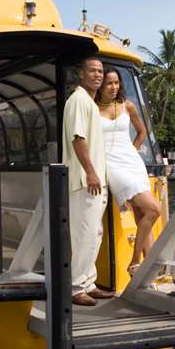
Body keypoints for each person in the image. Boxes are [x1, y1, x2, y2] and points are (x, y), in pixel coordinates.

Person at [96, 67, 163, 274]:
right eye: (109, 83)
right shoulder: (93, 108)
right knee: (154, 210)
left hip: (132, 162)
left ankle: (147, 269)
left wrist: (132, 150)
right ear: (101, 85)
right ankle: (134, 262)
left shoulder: (128, 106)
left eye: (117, 83)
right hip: (112, 165)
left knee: (141, 214)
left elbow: (142, 132)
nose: (114, 87)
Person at [61, 58, 115, 306]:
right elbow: (77, 138)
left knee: (95, 234)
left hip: (95, 181)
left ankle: (88, 282)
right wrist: (91, 172)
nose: (98, 75)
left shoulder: (89, 103)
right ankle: (75, 287)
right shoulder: (78, 101)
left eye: (100, 71)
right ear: (81, 74)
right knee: (84, 235)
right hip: (85, 180)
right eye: (92, 70)